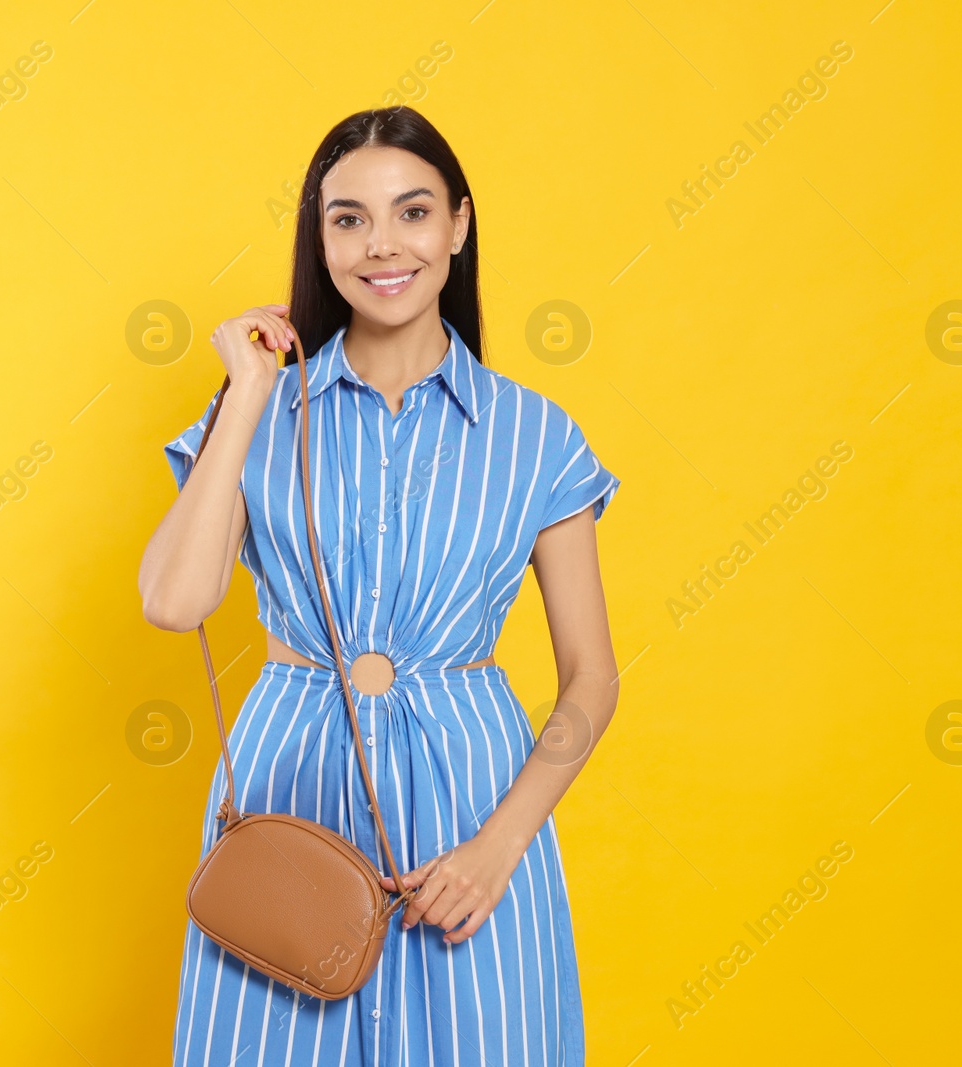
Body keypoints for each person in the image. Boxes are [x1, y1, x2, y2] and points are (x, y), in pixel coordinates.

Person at [140, 105, 620, 1066]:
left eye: (411, 212)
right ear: (319, 244)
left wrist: (496, 851)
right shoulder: (265, 413)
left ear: (458, 226)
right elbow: (173, 602)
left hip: (472, 807)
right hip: (292, 793)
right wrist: (244, 401)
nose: (382, 244)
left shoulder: (535, 435)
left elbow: (589, 681)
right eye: (347, 219)